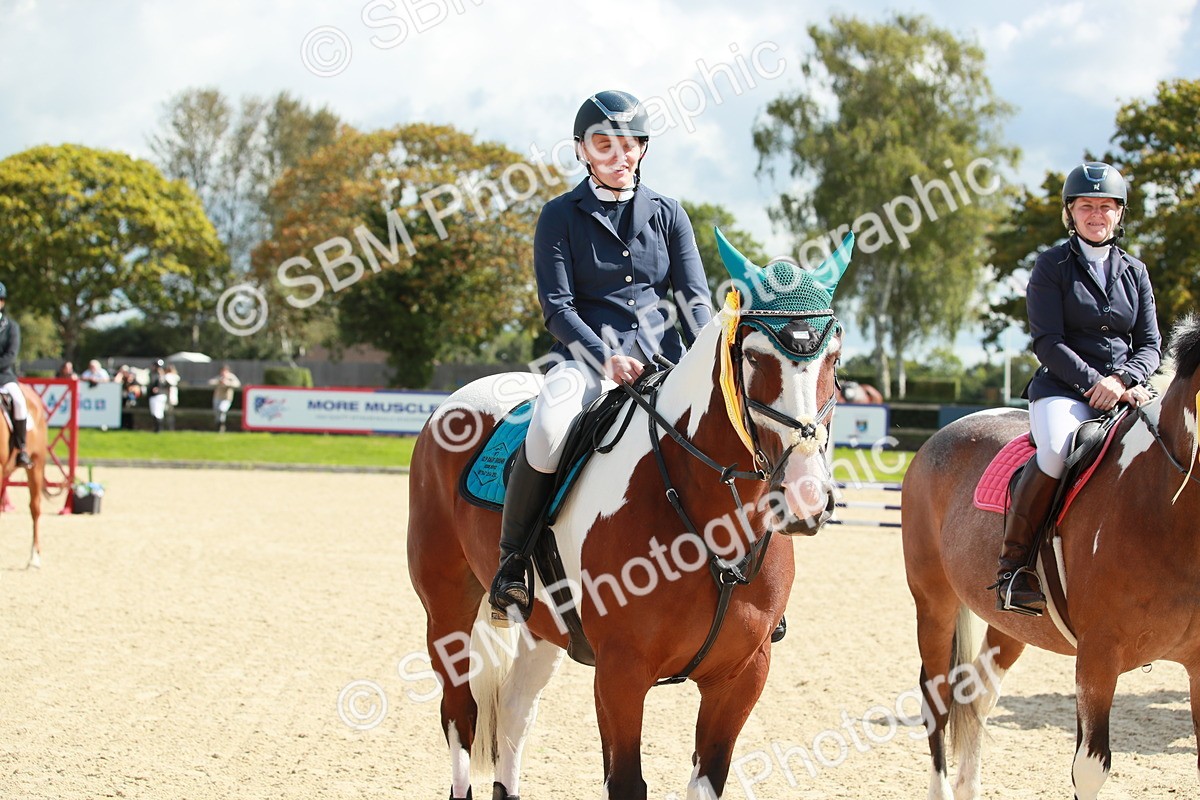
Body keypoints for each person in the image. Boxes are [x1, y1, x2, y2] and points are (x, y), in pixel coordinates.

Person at [488, 90, 714, 625]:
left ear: (642, 149)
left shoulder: (669, 214)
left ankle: (751, 572)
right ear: (582, 150)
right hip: (585, 361)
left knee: (730, 426)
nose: (620, 154)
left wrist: (706, 357)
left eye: (630, 143)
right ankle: (513, 566)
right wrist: (606, 357)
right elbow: (558, 308)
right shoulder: (558, 216)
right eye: (604, 144)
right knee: (546, 431)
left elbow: (696, 299)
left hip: (666, 363)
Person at [995, 162, 1161, 615]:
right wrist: (1096, 384)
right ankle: (1015, 567)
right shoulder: (1052, 266)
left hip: (1127, 390)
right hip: (1063, 392)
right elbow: (1048, 342)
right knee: (1054, 450)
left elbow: (1151, 344)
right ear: (1071, 212)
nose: (1096, 214)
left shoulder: (1136, 272)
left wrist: (1124, 380)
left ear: (1119, 214)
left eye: (1105, 206)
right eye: (1086, 205)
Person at [0, 282, 33, 468]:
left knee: (19, 402)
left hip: (3, 377)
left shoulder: (11, 327)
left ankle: (22, 449)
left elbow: (10, 355)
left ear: (2, 303)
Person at [209, 364, 240, 433]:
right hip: (217, 397)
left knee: (222, 409)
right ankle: (218, 425)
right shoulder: (219, 377)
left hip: (226, 398)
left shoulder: (231, 377)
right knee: (217, 412)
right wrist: (218, 382)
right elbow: (210, 382)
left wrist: (228, 383)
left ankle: (221, 425)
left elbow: (237, 384)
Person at [146, 360, 169, 433]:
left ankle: (158, 429)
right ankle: (158, 429)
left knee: (157, 413)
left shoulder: (158, 375)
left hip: (157, 396)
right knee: (158, 413)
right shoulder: (161, 375)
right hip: (160, 395)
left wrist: (158, 389)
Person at [164, 364, 180, 431]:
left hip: (169, 396)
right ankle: (167, 427)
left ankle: (170, 427)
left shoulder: (170, 376)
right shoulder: (174, 376)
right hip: (168, 395)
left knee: (169, 412)